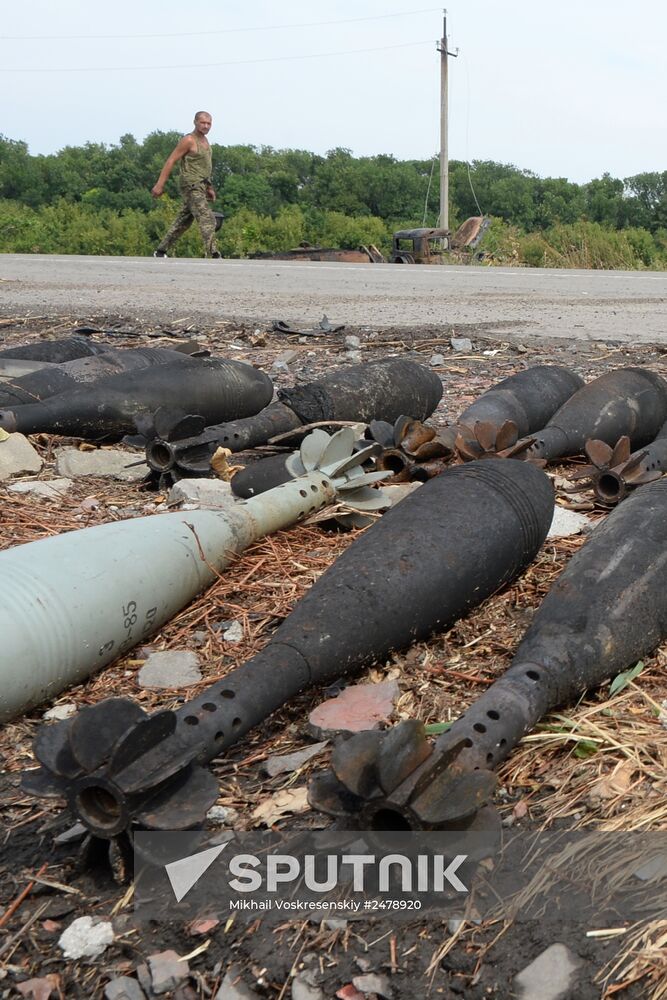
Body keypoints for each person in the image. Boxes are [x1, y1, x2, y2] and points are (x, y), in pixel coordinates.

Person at [151, 111, 221, 258]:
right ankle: (214, 254)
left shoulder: (206, 142)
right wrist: (159, 184)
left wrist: (209, 187)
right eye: (203, 122)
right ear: (195, 122)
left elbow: (204, 167)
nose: (206, 126)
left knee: (184, 220)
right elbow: (171, 160)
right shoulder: (189, 140)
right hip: (191, 184)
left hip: (201, 185)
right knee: (207, 217)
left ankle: (160, 251)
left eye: (209, 123)